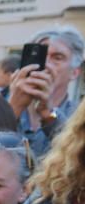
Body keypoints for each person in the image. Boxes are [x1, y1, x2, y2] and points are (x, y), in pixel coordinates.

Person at [8, 25, 84, 156]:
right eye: (40, 56)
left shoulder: (80, 118)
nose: (46, 65)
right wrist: (13, 109)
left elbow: (76, 160)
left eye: (57, 57)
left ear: (74, 72)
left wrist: (48, 116)